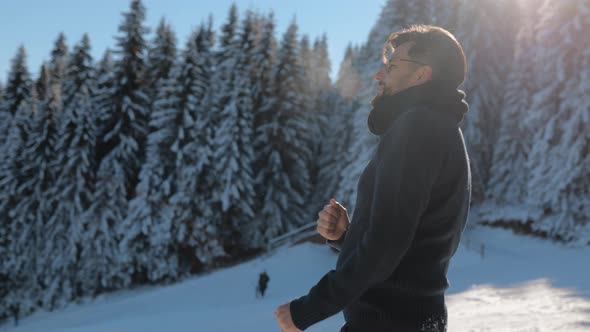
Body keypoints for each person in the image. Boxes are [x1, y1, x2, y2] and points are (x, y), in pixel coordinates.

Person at [274, 24, 472, 332]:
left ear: (422, 75)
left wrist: (308, 309)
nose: (379, 76)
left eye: (392, 67)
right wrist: (348, 236)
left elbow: (387, 244)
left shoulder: (418, 127)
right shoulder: (439, 128)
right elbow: (409, 242)